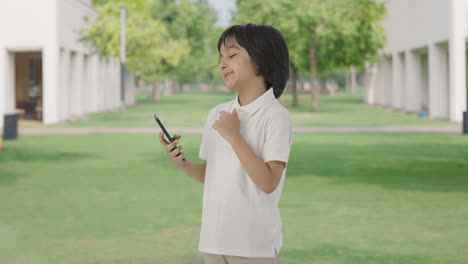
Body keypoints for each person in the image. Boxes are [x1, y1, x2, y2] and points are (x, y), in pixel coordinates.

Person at [159, 23, 292, 264]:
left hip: (253, 245)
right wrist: (182, 163)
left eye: (231, 55)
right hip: (214, 240)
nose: (222, 64)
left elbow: (269, 181)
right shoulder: (217, 114)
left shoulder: (275, 116)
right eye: (220, 57)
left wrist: (234, 137)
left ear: (261, 60)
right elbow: (213, 174)